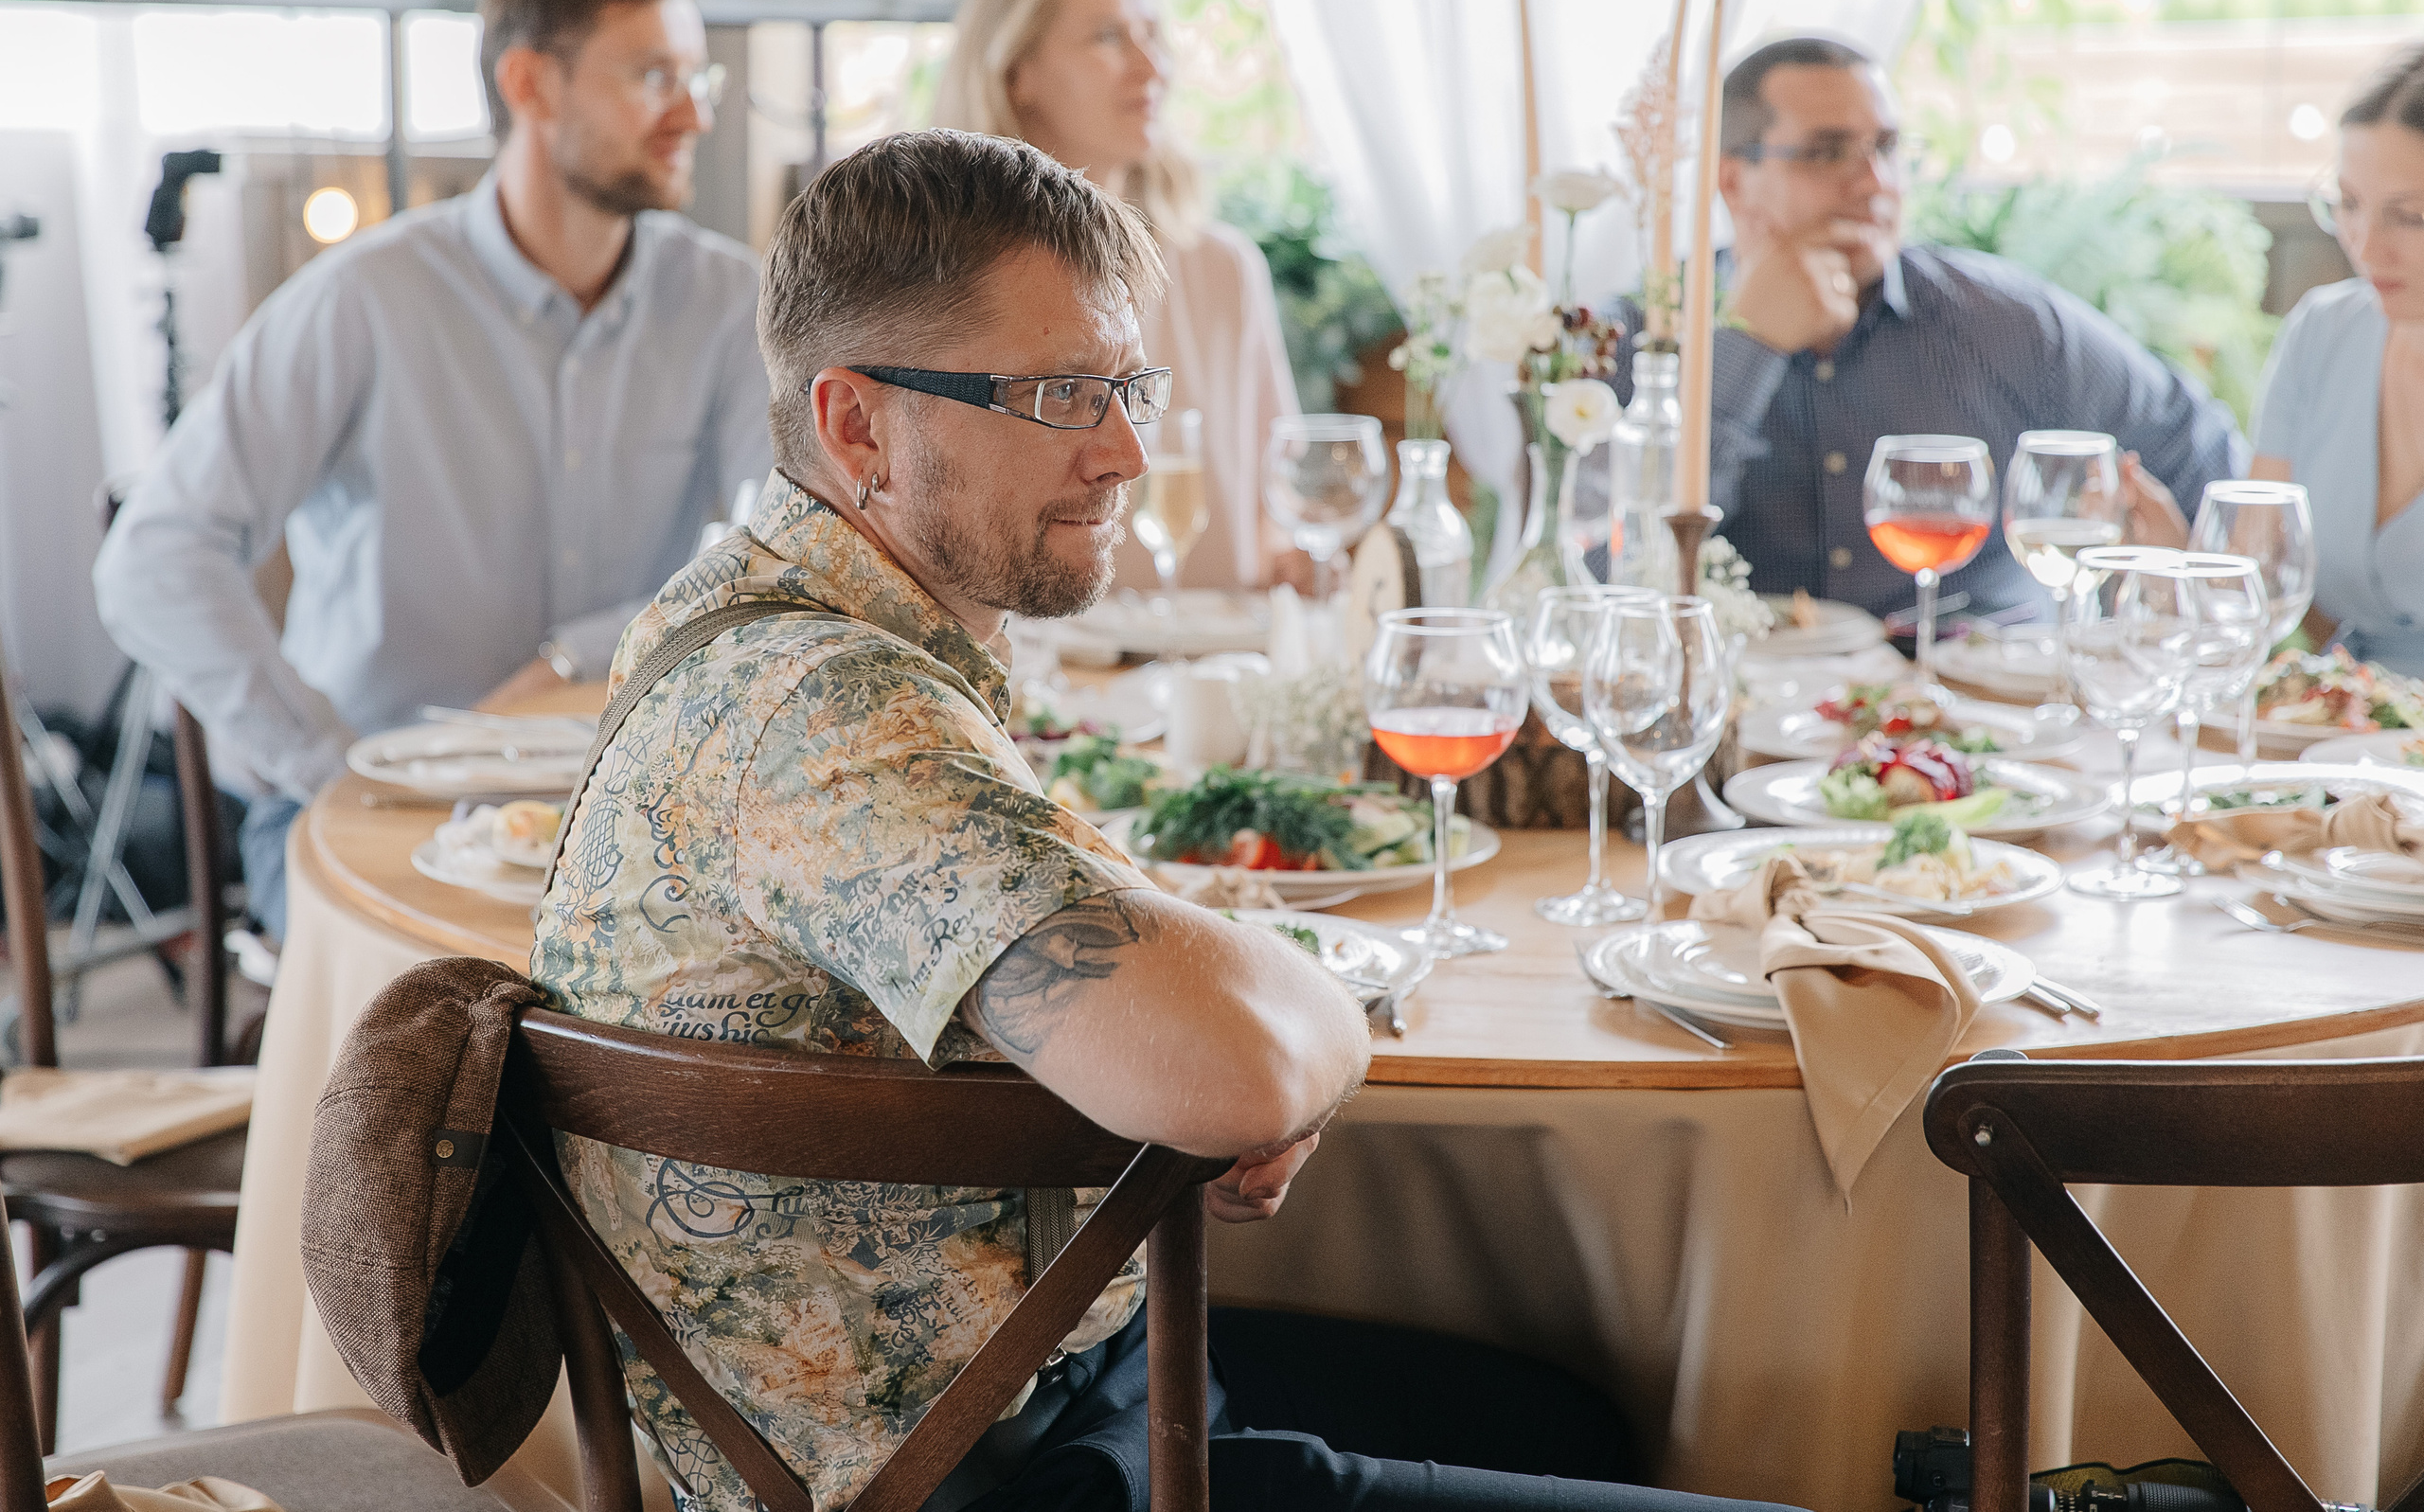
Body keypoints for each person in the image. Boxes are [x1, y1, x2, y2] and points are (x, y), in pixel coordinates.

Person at [529, 128, 1801, 1512]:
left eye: (1127, 385)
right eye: (1059, 395)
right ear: (856, 427)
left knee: (1570, 1413)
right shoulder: (826, 714)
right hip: (1000, 1473)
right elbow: (1240, 1070)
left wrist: (1224, 1020)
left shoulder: (743, 618)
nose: (1127, 450)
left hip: (1065, 1377)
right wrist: (1298, 1019)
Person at [91, 0, 769, 941]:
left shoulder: (728, 300)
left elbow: (777, 557)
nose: (695, 113)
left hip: (628, 799)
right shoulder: (361, 300)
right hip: (376, 808)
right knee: (460, 1008)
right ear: (531, 84)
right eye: (653, 76)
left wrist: (574, 657)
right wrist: (335, 764)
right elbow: (153, 557)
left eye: (696, 77)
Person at [1643, 35, 2243, 617]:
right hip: (1754, 680)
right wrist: (1746, 345)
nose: (1875, 182)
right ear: (1732, 181)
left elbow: (2206, 458)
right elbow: (1627, 557)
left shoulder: (2007, 323)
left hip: (1985, 675)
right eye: (1827, 153)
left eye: (1887, 148)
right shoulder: (1654, 330)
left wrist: (2177, 591)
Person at [936, 0, 1301, 593]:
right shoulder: (950, 281)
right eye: (1108, 37)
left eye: (1151, 34)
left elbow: (1282, 507)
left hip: (1213, 647)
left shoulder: (1225, 268)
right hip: (1030, 649)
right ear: (1017, 72)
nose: (1151, 67)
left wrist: (1306, 562)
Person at [2237, 44, 2424, 670]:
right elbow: (2270, 590)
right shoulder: (2321, 334)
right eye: (2348, 203)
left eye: (2411, 217)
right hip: (2346, 715)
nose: (2366, 246)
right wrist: (2176, 559)